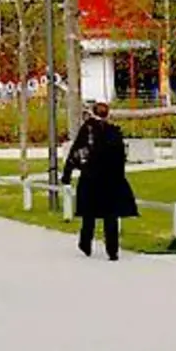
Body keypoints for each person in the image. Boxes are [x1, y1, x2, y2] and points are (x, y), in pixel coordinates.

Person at [61, 101, 137, 261]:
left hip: (91, 178)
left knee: (89, 214)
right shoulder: (114, 132)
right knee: (111, 216)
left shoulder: (88, 131)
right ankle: (113, 250)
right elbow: (121, 157)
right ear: (108, 114)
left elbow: (76, 152)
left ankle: (85, 243)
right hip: (111, 180)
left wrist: (67, 174)